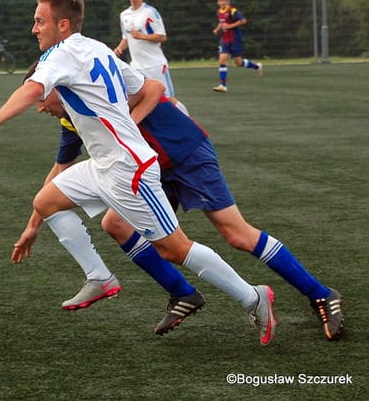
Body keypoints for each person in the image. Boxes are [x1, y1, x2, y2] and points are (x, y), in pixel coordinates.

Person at [0, 0, 276, 345]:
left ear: (63, 25)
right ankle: (99, 277)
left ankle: (253, 297)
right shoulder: (97, 48)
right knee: (45, 202)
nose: (34, 29)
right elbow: (145, 85)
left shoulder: (62, 54)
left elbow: (31, 90)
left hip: (129, 171)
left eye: (40, 21)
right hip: (103, 164)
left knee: (174, 248)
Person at [23, 75, 344, 341]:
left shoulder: (96, 86)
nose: (38, 108)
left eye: (39, 98)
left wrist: (127, 127)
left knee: (237, 234)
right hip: (149, 169)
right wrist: (33, 223)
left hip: (183, 150)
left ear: (55, 86)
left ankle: (321, 293)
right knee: (116, 224)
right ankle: (182, 293)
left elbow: (155, 88)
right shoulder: (72, 117)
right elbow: (60, 170)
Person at [114, 0, 178, 101]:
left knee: (167, 99)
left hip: (154, 65)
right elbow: (126, 37)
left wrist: (142, 36)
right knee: (138, 99)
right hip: (136, 66)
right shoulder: (124, 15)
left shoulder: (150, 12)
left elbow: (162, 36)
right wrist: (119, 48)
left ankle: (187, 119)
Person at [212, 0, 263, 93]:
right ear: (218, 2)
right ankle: (223, 85)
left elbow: (243, 20)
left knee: (238, 63)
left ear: (227, 1)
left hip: (235, 39)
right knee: (222, 60)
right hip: (225, 40)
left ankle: (257, 66)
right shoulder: (219, 11)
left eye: (223, 0)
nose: (222, 2)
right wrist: (217, 29)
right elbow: (221, 22)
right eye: (220, 0)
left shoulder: (232, 10)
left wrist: (230, 26)